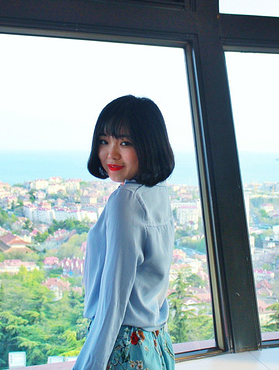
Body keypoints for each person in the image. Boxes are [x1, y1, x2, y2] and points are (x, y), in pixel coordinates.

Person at [73, 95, 176, 370]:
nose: (111, 154)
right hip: (155, 343)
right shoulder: (158, 194)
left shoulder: (126, 200)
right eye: (104, 141)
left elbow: (114, 300)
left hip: (122, 346)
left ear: (149, 145)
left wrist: (90, 365)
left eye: (125, 143)